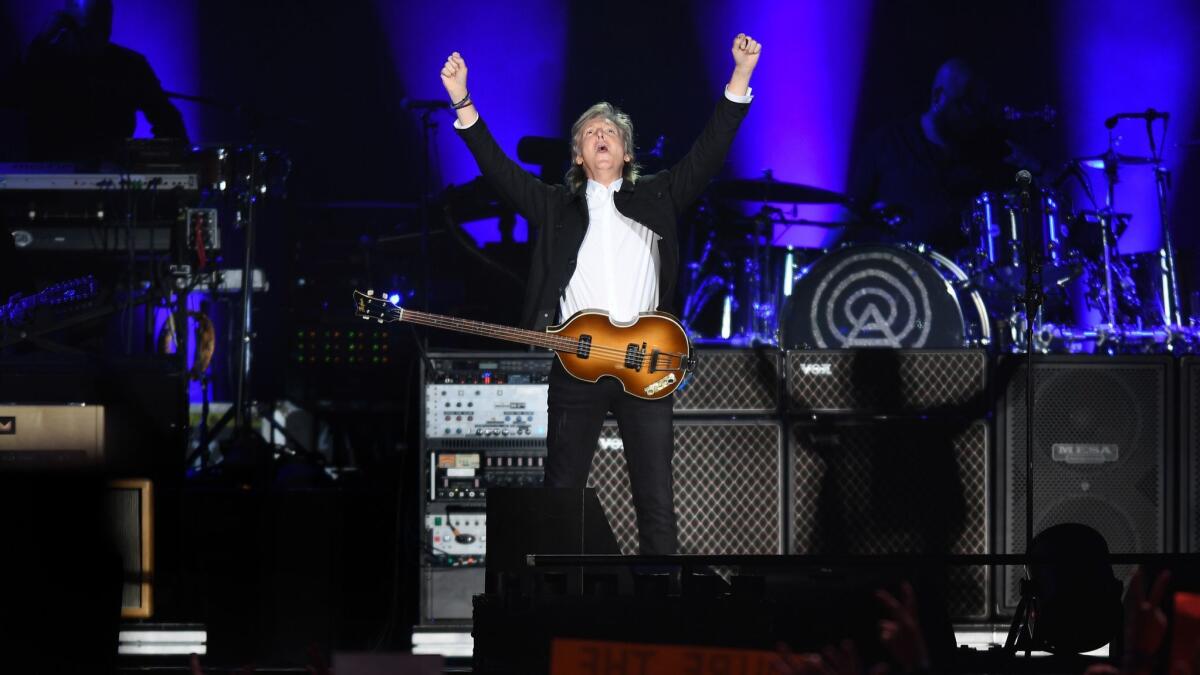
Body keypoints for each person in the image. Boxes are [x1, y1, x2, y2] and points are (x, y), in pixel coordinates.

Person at [439, 34, 761, 554]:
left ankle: (663, 606)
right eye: (591, 132)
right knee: (561, 493)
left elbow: (710, 150)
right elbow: (499, 170)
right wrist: (462, 100)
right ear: (578, 153)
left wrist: (740, 77)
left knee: (655, 500)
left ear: (627, 151)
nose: (601, 136)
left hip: (647, 363)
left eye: (611, 131)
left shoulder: (659, 195)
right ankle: (560, 606)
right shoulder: (554, 204)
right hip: (576, 364)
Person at [848, 58, 1041, 254]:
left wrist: (1035, 168)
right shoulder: (888, 142)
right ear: (938, 97)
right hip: (899, 274)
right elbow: (852, 210)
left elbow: (1037, 199)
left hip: (963, 278)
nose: (971, 115)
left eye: (977, 107)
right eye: (965, 104)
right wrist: (820, 261)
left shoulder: (986, 151)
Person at [16, 0, 188, 161]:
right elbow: (15, 104)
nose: (99, 38)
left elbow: (170, 124)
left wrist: (140, 157)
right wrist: (41, 43)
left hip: (113, 180)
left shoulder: (130, 65)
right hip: (52, 181)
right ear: (66, 25)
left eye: (104, 29)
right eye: (90, 29)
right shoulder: (46, 64)